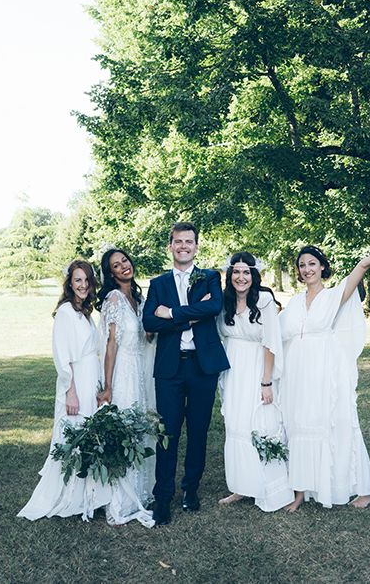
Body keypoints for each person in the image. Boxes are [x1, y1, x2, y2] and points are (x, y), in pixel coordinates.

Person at [279, 230, 370, 512]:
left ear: (322, 267)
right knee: (299, 427)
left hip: (324, 371)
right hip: (297, 375)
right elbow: (276, 333)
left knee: (336, 425)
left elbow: (363, 265)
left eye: (312, 264)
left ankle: (365, 487)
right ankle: (301, 489)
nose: (307, 269)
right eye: (302, 265)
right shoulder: (292, 303)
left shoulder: (334, 296)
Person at [142, 222, 230, 526]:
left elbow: (215, 307)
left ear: (196, 246)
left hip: (202, 366)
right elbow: (150, 323)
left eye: (189, 241)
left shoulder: (209, 278)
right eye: (178, 241)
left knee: (198, 431)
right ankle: (162, 497)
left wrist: (173, 313)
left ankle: (190, 490)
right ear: (170, 246)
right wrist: (192, 315)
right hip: (170, 368)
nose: (183, 246)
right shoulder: (158, 284)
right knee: (167, 434)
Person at [18, 260, 111, 521]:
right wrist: (71, 391)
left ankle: (89, 495)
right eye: (77, 280)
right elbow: (62, 356)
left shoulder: (84, 312)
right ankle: (68, 494)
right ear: (70, 283)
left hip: (90, 377)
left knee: (89, 435)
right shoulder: (66, 312)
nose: (82, 285)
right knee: (73, 433)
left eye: (86, 280)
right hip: (76, 381)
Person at [217, 252, 294, 512]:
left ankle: (271, 489)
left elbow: (270, 342)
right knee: (236, 425)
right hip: (233, 372)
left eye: (246, 272)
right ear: (230, 275)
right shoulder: (224, 302)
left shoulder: (264, 300)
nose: (241, 277)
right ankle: (242, 486)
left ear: (254, 275)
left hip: (258, 370)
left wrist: (266, 382)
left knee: (260, 424)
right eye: (236, 272)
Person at [96, 248, 157, 527]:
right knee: (128, 431)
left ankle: (141, 493)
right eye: (116, 265)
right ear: (110, 273)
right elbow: (111, 344)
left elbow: (145, 334)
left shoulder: (138, 297)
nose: (124, 266)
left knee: (142, 429)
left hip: (142, 371)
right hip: (124, 373)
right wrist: (107, 387)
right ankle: (122, 501)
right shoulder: (114, 299)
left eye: (125, 261)